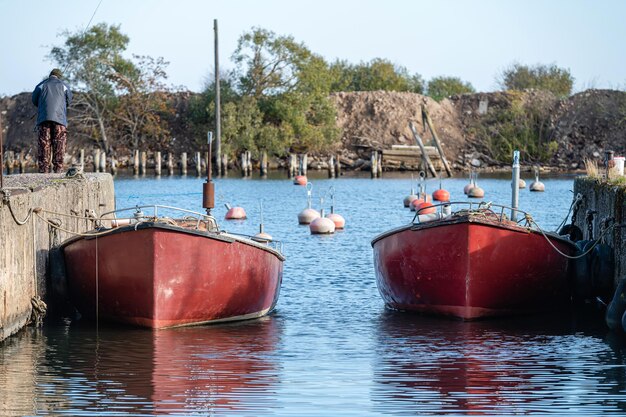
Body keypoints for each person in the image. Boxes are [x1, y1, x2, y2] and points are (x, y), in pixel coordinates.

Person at [32, 68, 73, 173]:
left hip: (43, 119)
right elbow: (69, 101)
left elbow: (34, 100)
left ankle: (43, 169)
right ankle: (58, 169)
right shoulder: (64, 85)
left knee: (44, 144)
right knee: (59, 143)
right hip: (60, 120)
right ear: (59, 76)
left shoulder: (40, 85)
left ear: (50, 75)